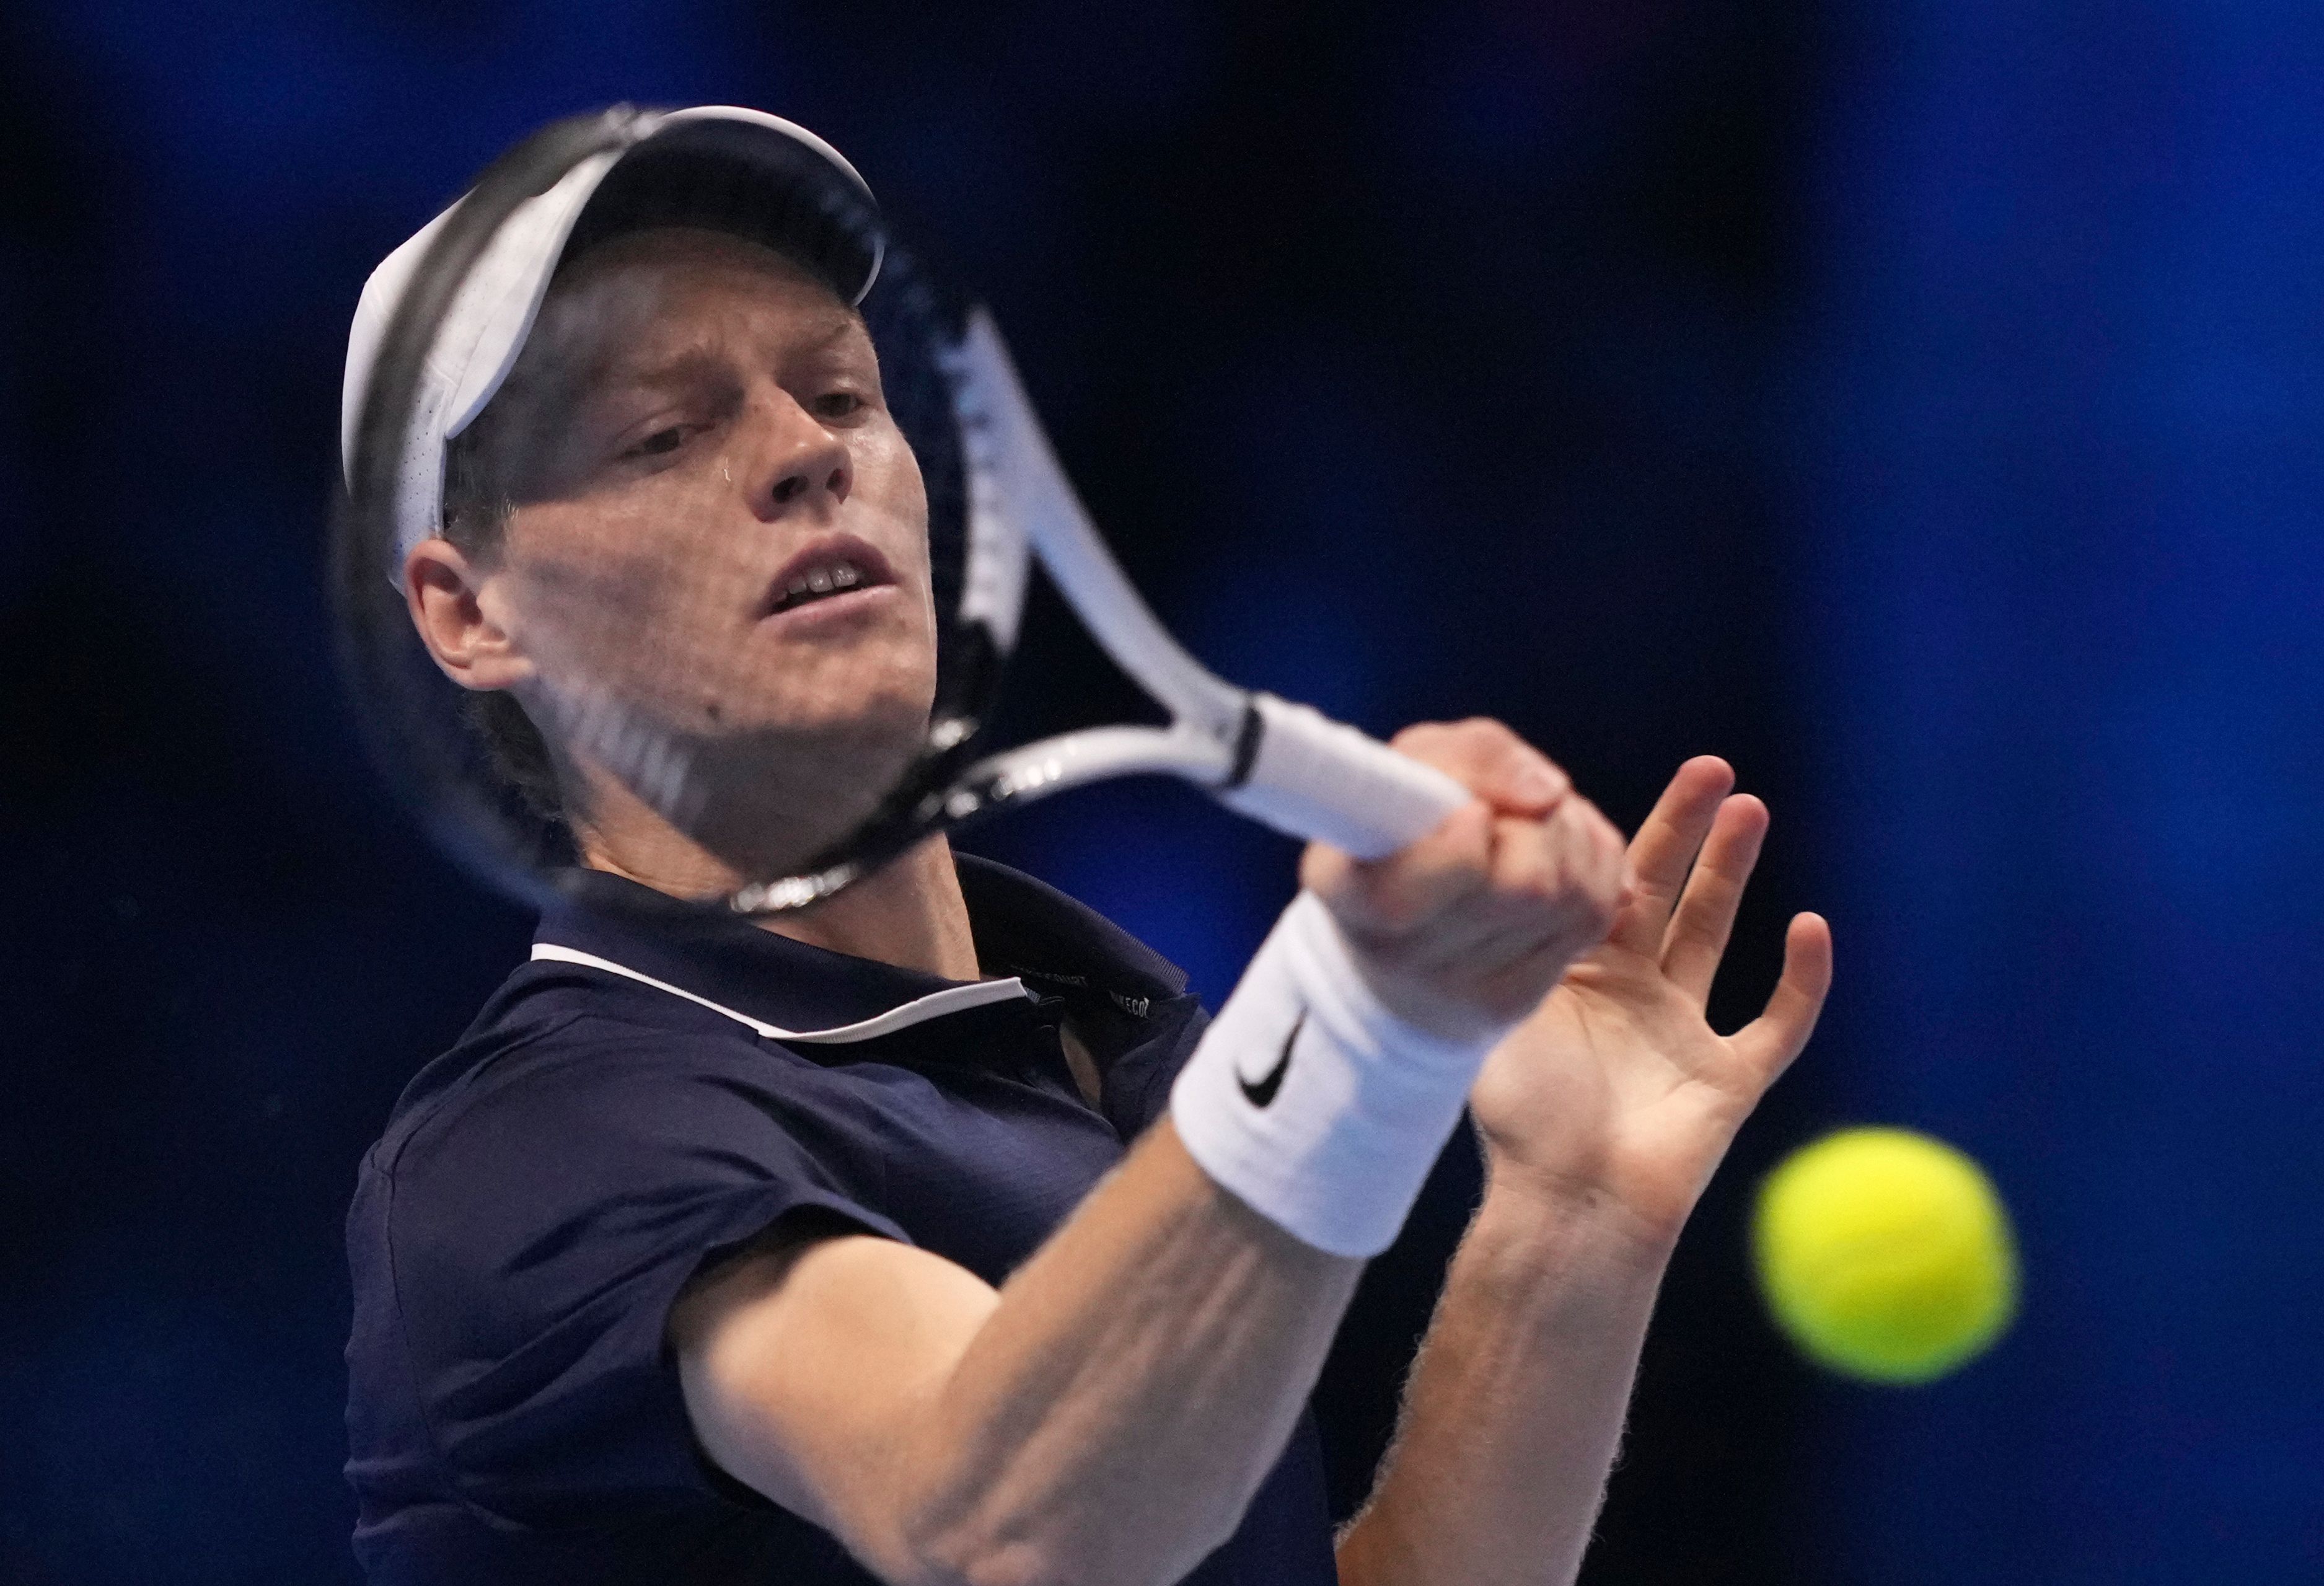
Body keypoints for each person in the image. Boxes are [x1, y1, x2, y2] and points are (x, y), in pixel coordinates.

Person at [341, 108, 1833, 1586]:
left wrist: (1567, 1218)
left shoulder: (1114, 1043)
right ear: (472, 611)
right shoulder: (534, 1149)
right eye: (662, 433)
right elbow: (1007, 1522)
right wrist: (1361, 1021)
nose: (805, 454)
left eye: (843, 394)